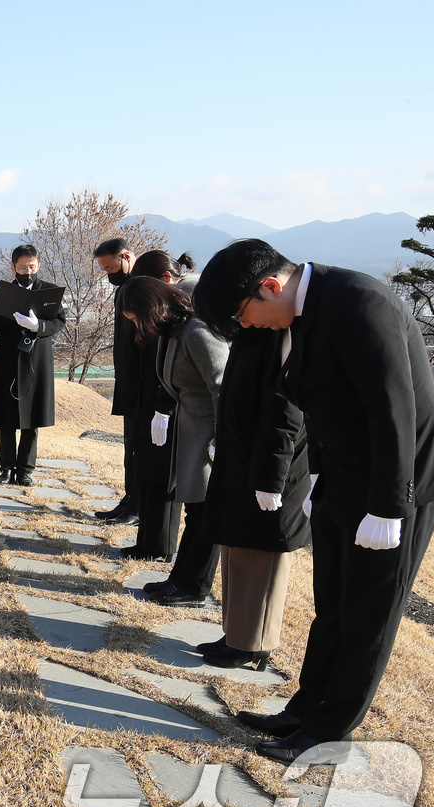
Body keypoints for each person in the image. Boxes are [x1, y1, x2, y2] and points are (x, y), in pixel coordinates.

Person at [195, 238, 434, 764]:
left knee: (369, 611)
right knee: (332, 603)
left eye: (245, 315)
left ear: (270, 285)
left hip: (398, 482)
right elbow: (324, 408)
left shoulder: (356, 301)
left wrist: (390, 506)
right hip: (344, 476)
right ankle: (306, 707)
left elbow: (392, 410)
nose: (249, 327)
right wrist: (319, 484)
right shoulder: (297, 314)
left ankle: (331, 730)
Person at [196, 325, 311, 669]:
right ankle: (236, 633)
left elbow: (286, 413)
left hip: (272, 466)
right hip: (245, 458)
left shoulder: (283, 334)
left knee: (261, 555)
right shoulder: (254, 332)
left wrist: (271, 479)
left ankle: (254, 643)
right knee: (237, 548)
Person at [118, 265, 229, 598]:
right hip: (190, 432)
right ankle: (180, 580)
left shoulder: (196, 331)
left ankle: (192, 587)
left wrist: (220, 440)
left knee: (205, 512)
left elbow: (222, 385)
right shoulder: (173, 332)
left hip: (207, 434)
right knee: (196, 510)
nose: (137, 325)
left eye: (137, 317)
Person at [0, 244, 66, 486]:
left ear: (38, 265)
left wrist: (37, 326)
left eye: (31, 266)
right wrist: (9, 313)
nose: (27, 271)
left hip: (36, 360)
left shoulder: (49, 291)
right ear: (13, 268)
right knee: (6, 417)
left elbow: (59, 322)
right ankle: (6, 468)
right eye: (22, 267)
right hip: (8, 359)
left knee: (32, 418)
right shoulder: (2, 292)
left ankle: (26, 471)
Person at [93, 238, 141, 524]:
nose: (109, 273)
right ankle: (129, 498)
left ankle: (138, 504)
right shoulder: (123, 288)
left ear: (125, 257)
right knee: (129, 444)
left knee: (139, 446)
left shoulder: (142, 286)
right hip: (126, 377)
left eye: (111, 267)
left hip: (141, 379)